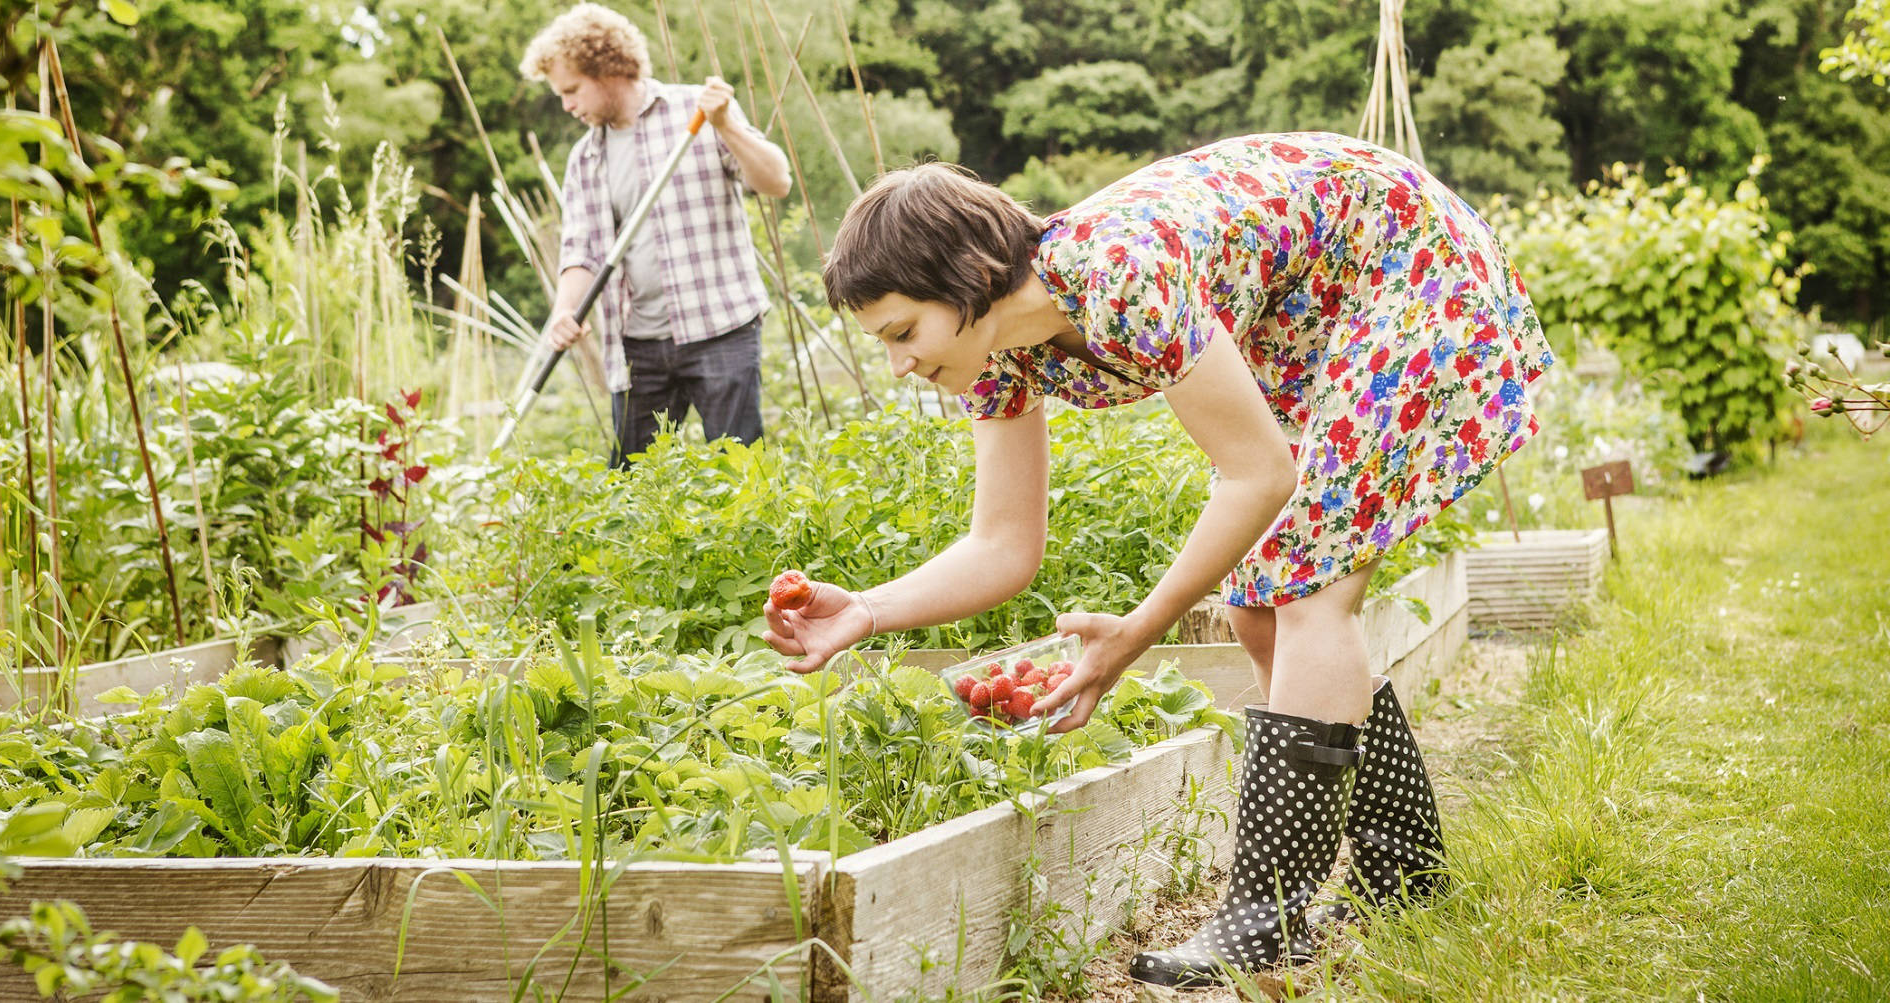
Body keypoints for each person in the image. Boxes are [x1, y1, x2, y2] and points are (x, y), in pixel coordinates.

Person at [760, 134, 1553, 986]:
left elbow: (1261, 474)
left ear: (967, 279)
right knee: (1257, 601)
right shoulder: (995, 356)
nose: (900, 362)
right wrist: (867, 610)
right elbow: (1002, 545)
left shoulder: (1118, 274)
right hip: (1316, 308)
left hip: (1409, 264)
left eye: (904, 330)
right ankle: (1405, 873)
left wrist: (1137, 630)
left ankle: (1264, 917)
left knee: (1306, 587)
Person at [520, 3, 791, 464]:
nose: (567, 106)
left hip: (720, 329)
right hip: (638, 347)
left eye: (572, 90)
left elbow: (776, 182)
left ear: (606, 69)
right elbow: (581, 251)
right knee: (631, 487)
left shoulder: (699, 113)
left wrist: (726, 125)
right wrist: (567, 309)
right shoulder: (586, 159)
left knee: (743, 476)